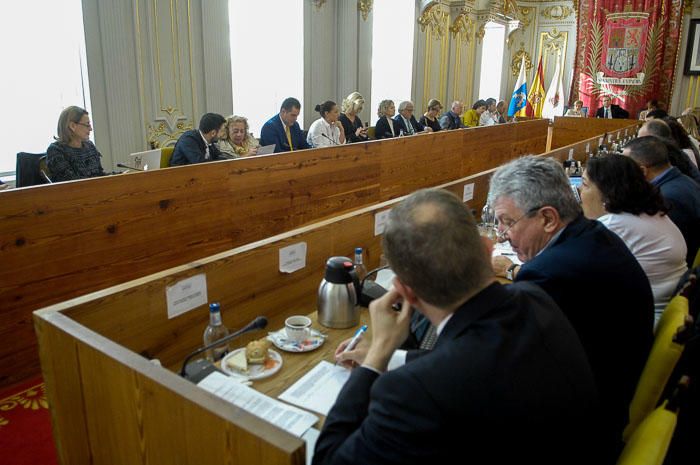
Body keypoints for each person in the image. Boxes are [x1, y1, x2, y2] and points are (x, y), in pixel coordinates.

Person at [315, 188, 601, 465]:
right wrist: (395, 358)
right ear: (488, 249)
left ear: (405, 292)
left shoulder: (411, 392)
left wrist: (377, 356)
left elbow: (328, 458)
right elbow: (475, 361)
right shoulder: (534, 297)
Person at [488, 156, 653, 459]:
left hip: (582, 432)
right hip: (608, 393)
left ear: (548, 219)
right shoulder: (591, 235)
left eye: (508, 221)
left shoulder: (553, 273)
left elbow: (508, 367)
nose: (501, 234)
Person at [580, 155, 687, 323]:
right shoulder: (650, 211)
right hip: (663, 310)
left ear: (607, 192)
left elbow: (575, 273)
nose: (579, 190)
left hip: (645, 321)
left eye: (585, 184)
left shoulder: (615, 225)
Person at [624, 136, 700, 266]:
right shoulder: (683, 181)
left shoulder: (667, 197)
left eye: (626, 168)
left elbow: (664, 249)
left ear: (642, 171)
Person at [47, 106, 106, 182]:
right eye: (87, 124)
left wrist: (121, 175)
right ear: (72, 126)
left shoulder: (90, 146)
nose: (91, 129)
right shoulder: (56, 150)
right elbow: (70, 183)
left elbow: (100, 175)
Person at [638, 119, 700, 183]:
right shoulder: (678, 153)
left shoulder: (669, 156)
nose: (638, 144)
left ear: (655, 140)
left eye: (643, 140)